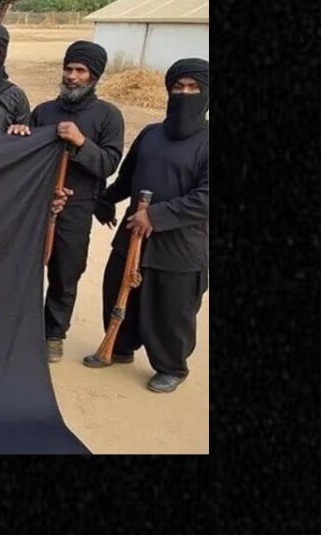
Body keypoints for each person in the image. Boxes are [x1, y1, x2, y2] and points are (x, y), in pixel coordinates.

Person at [85, 58, 210, 394]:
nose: (184, 94)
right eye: (178, 87)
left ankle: (171, 366)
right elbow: (128, 178)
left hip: (180, 246)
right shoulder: (151, 134)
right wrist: (105, 200)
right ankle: (119, 346)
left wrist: (156, 215)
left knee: (171, 309)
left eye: (193, 88)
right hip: (133, 236)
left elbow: (206, 198)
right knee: (117, 291)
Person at [10, 41, 124, 362]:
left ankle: (53, 334)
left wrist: (81, 142)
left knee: (66, 272)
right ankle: (24, 328)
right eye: (68, 69)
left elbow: (108, 163)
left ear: (94, 76)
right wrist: (19, 134)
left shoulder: (108, 116)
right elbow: (26, 158)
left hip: (77, 207)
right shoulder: (44, 111)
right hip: (39, 203)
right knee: (26, 269)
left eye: (80, 71)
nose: (72, 76)